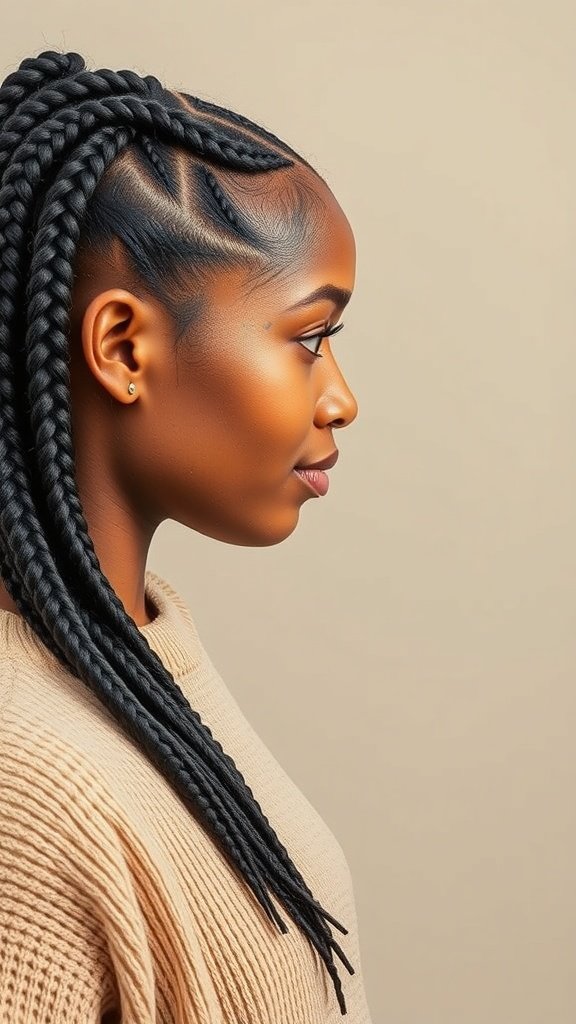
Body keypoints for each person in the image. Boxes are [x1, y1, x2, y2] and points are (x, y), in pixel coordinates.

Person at [0, 49, 372, 1023]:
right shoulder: (28, 788)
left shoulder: (140, 655)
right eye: (309, 339)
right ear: (124, 347)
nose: (342, 399)